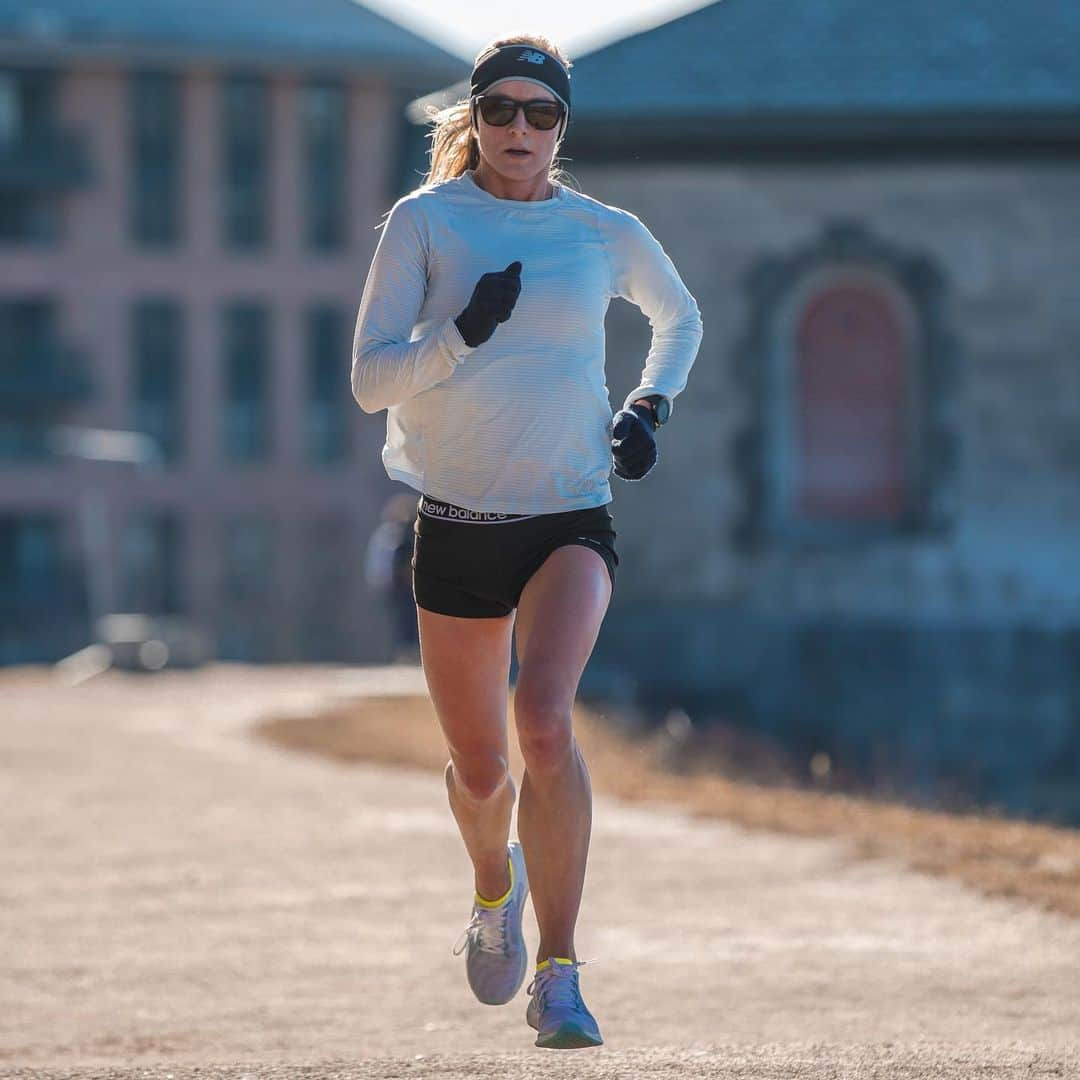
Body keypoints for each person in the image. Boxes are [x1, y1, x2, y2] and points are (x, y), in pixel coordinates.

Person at [351, 32, 702, 1050]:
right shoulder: (424, 224)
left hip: (568, 514)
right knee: (480, 768)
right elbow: (371, 381)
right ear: (475, 118)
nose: (517, 129)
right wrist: (459, 334)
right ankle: (490, 884)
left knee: (543, 722)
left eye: (538, 113)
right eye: (498, 110)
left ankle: (560, 972)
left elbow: (678, 319)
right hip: (454, 519)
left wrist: (650, 407)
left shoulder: (603, 230)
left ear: (561, 126)